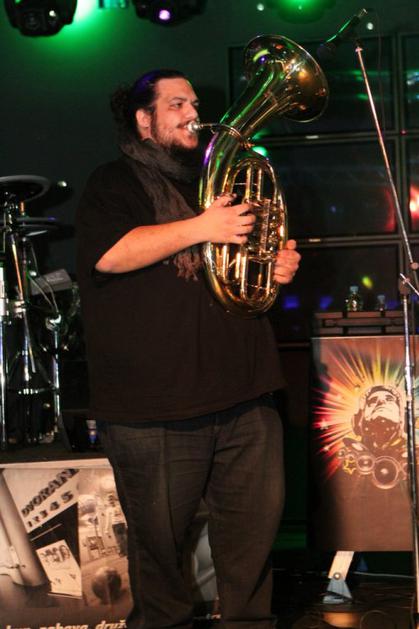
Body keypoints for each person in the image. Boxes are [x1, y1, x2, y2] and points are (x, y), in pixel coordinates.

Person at [76, 68, 301, 629]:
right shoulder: (113, 182)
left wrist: (275, 268)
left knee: (252, 547)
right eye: (176, 104)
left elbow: (244, 272)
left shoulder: (219, 182)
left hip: (246, 394)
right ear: (143, 119)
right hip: (155, 407)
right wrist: (203, 226)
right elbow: (110, 254)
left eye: (195, 103)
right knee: (159, 557)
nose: (193, 112)